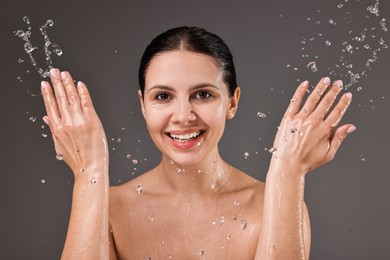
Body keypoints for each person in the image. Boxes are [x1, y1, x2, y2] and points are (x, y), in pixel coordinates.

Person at [40, 26, 355, 259]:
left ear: (232, 102)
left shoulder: (270, 205)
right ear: (143, 105)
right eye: (163, 96)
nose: (183, 115)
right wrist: (89, 172)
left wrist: (288, 171)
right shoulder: (108, 208)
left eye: (203, 94)